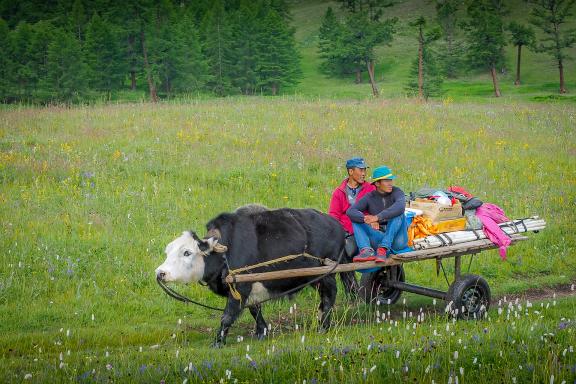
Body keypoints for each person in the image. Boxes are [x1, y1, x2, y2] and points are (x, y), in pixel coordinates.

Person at [346, 165, 408, 262]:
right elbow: (350, 211)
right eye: (387, 181)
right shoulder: (369, 197)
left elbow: (400, 207)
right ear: (378, 183)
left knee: (399, 213)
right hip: (379, 237)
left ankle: (384, 247)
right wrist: (367, 219)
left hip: (397, 240)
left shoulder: (397, 191)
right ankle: (366, 250)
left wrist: (377, 217)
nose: (390, 183)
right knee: (356, 219)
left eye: (391, 180)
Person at [328, 157, 375, 235]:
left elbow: (376, 210)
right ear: (351, 171)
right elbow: (334, 216)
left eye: (364, 170)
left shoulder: (371, 189)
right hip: (346, 233)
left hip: (366, 230)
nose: (364, 174)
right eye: (360, 170)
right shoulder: (339, 192)